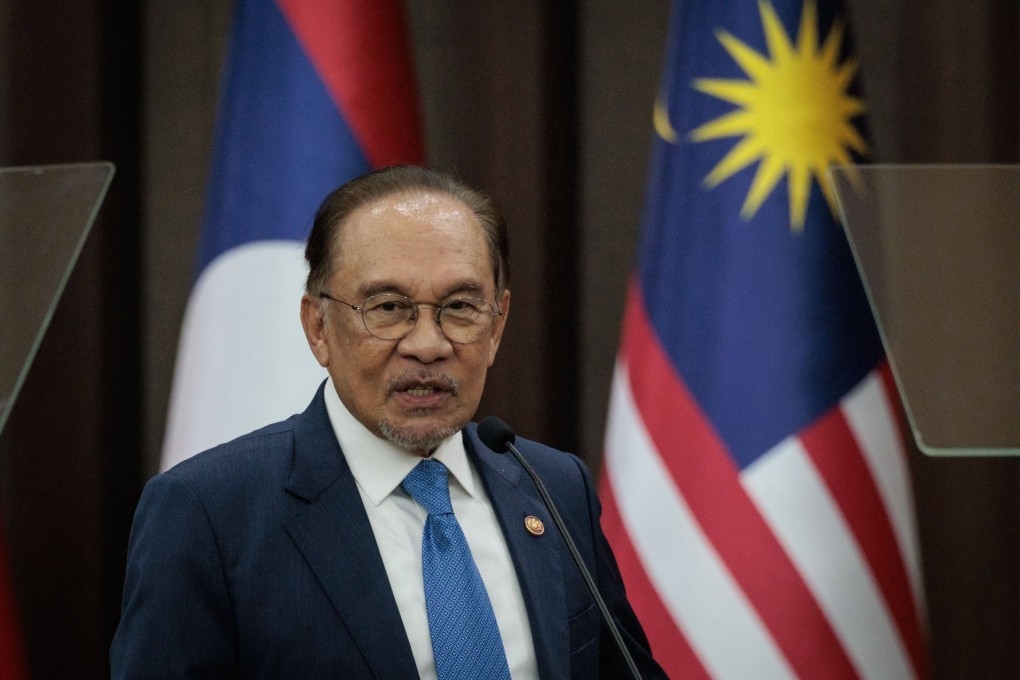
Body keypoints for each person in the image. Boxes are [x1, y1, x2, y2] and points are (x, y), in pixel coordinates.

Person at [111, 166, 665, 679]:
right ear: (318, 327)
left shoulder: (554, 488)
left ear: (496, 327)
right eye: (388, 308)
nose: (427, 344)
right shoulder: (209, 512)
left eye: (461, 307)